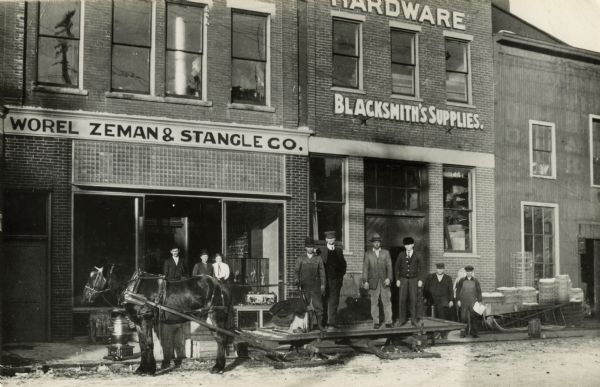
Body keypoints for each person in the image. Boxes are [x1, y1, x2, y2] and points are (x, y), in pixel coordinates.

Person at [160, 247, 187, 369]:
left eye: (177, 251)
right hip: (170, 283)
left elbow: (184, 271)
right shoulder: (167, 261)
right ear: (171, 252)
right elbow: (165, 273)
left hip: (180, 283)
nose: (175, 253)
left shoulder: (182, 260)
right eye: (173, 251)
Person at [362, 233, 393, 329]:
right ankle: (376, 322)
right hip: (373, 282)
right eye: (375, 242)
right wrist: (365, 281)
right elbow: (365, 269)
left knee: (387, 301)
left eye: (378, 242)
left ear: (380, 243)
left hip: (384, 282)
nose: (376, 244)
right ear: (372, 243)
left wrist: (389, 278)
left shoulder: (386, 253)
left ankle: (388, 321)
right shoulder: (368, 254)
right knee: (374, 302)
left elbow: (389, 267)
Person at [295, 237, 326, 331]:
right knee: (306, 305)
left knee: (318, 306)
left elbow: (322, 273)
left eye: (312, 247)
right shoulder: (300, 259)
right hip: (305, 285)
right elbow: (296, 272)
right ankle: (308, 326)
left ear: (314, 248)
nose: (310, 249)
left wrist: (323, 285)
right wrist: (297, 281)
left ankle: (320, 325)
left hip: (316, 285)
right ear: (305, 248)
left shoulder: (318, 258)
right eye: (308, 247)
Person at [321, 230, 347, 330]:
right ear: (326, 239)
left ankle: (332, 322)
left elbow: (343, 264)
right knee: (324, 301)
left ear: (335, 239)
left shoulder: (339, 251)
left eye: (332, 238)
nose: (331, 240)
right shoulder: (322, 251)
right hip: (325, 281)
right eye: (329, 238)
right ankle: (323, 323)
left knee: (334, 301)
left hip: (336, 281)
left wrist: (340, 276)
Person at [395, 236, 423, 327]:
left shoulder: (418, 254)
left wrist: (420, 279)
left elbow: (422, 268)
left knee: (413, 299)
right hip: (403, 280)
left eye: (409, 244)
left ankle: (414, 320)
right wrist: (397, 279)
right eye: (406, 245)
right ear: (404, 246)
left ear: (413, 245)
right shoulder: (401, 254)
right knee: (402, 300)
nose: (408, 246)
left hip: (413, 280)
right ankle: (401, 320)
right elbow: (396, 268)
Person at [424, 263, 454, 338]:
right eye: (438, 269)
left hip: (443, 302)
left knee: (442, 318)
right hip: (432, 301)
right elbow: (426, 288)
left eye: (441, 269)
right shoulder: (430, 277)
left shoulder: (448, 278)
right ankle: (432, 335)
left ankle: (443, 335)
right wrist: (426, 298)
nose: (440, 270)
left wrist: (451, 300)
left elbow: (451, 290)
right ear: (436, 269)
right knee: (432, 318)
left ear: (443, 269)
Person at [455, 265, 483, 338]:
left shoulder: (476, 281)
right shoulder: (461, 280)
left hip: (473, 302)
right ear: (466, 272)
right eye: (467, 272)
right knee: (463, 317)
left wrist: (480, 300)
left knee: (473, 317)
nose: (469, 273)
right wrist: (458, 300)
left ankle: (474, 333)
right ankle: (463, 333)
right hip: (463, 302)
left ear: (472, 272)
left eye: (470, 272)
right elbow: (457, 291)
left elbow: (479, 291)